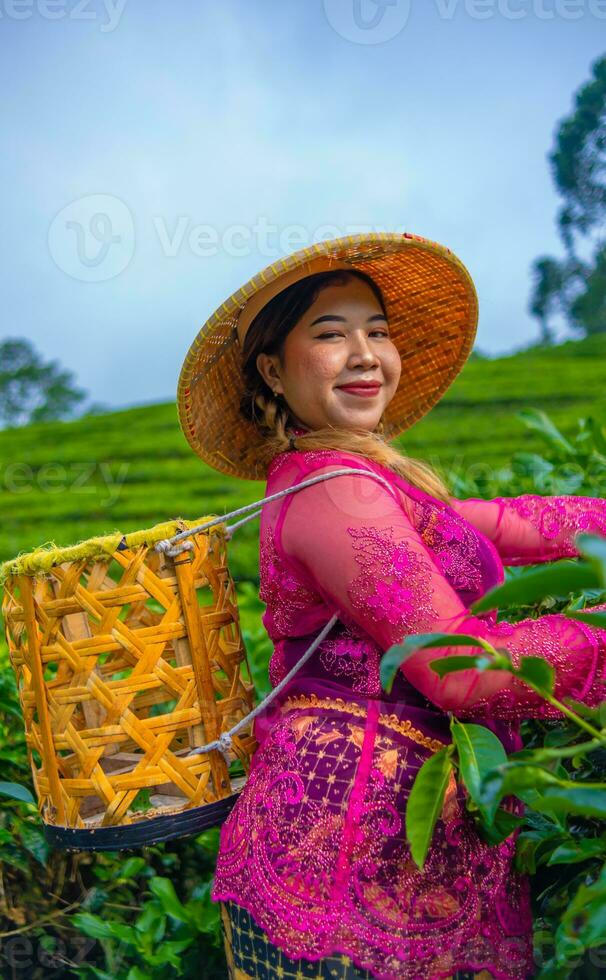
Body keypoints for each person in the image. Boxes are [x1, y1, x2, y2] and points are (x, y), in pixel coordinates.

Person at [176, 234, 606, 979]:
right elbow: (459, 669)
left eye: (376, 331)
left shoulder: (367, 482)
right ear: (274, 371)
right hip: (341, 882)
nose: (366, 353)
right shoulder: (330, 491)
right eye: (331, 334)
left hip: (418, 866)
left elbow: (508, 519)